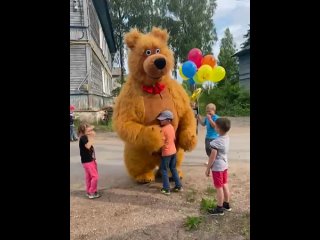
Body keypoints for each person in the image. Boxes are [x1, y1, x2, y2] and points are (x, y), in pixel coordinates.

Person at [205, 117, 231, 215]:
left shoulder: (216, 142)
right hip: (224, 165)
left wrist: (208, 168)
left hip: (218, 168)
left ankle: (219, 208)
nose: (214, 127)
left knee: (218, 187)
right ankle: (226, 204)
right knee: (224, 184)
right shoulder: (227, 138)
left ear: (218, 129)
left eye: (215, 126)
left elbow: (213, 156)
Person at [157, 110, 183, 195]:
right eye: (160, 119)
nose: (160, 120)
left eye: (162, 119)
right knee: (173, 168)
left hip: (166, 153)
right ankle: (178, 186)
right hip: (173, 151)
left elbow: (160, 141)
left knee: (164, 170)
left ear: (169, 120)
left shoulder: (163, 129)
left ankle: (166, 188)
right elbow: (174, 138)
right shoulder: (171, 127)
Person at [77, 122, 100, 199]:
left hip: (88, 161)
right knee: (95, 177)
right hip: (88, 161)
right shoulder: (83, 137)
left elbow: (92, 127)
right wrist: (92, 137)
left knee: (89, 177)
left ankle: (89, 191)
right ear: (83, 130)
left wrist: (90, 130)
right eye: (87, 128)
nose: (90, 130)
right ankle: (92, 192)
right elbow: (88, 146)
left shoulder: (85, 136)